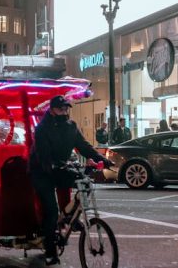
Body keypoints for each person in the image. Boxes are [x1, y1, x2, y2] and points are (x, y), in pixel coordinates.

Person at [29, 95, 112, 265]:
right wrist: (51, 164)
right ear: (52, 110)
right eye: (61, 109)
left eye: (66, 108)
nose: (64, 111)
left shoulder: (71, 126)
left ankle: (68, 217)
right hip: (42, 171)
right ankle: (50, 251)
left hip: (61, 168)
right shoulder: (42, 129)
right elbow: (42, 153)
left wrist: (100, 158)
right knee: (51, 211)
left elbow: (83, 146)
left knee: (85, 184)